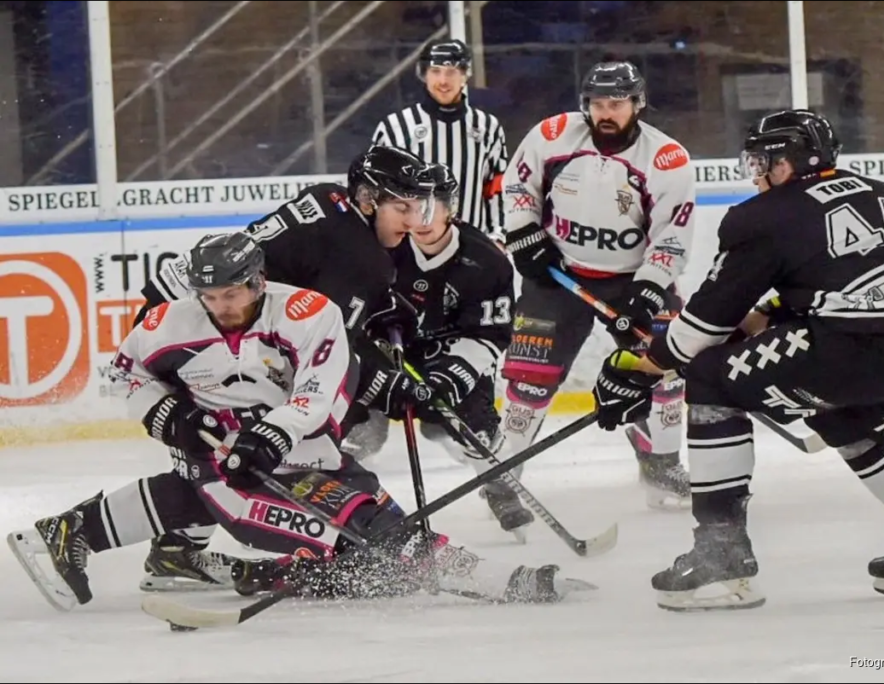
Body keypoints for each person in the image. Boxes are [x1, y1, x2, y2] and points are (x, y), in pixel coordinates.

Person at [7, 233, 591, 612]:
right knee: (380, 543)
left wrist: (271, 434)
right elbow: (124, 374)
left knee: (375, 558)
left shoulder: (308, 315)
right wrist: (165, 413)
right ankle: (507, 582)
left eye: (233, 292)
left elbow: (317, 394)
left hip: (314, 459)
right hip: (228, 469)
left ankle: (76, 530)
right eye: (210, 296)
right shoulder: (170, 323)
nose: (222, 306)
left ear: (259, 280)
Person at [590, 108, 884, 612]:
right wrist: (742, 326)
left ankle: (721, 557)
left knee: (712, 377)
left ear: (790, 162)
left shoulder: (763, 215)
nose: (756, 173)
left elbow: (703, 331)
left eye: (762, 160)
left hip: (862, 348)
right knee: (849, 420)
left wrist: (641, 367)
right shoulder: (874, 191)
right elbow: (828, 294)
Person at [127, 145, 441, 593]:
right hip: (210, 332)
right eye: (402, 207)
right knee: (277, 438)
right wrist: (385, 382)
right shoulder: (362, 258)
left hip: (183, 320)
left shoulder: (329, 197)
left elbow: (301, 290)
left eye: (419, 206)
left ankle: (176, 549)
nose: (415, 222)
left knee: (218, 446)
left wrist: (378, 309)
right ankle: (323, 535)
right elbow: (329, 355)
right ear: (369, 200)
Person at [498, 60, 697, 511]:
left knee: (665, 364)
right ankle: (504, 472)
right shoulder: (552, 135)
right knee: (531, 379)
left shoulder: (666, 159)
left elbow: (671, 237)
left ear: (638, 104)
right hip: (556, 274)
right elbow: (518, 185)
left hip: (632, 278)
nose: (606, 113)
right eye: (598, 103)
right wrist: (524, 233)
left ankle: (662, 461)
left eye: (617, 103)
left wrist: (648, 289)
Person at [339, 163, 531, 539]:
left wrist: (452, 374)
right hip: (388, 354)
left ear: (451, 208)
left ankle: (498, 485)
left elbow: (490, 334)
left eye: (430, 207)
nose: (419, 218)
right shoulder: (382, 249)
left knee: (474, 428)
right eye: (409, 207)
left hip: (453, 353)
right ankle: (332, 496)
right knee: (362, 433)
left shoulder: (486, 261)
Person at [371, 38, 508, 241]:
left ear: (464, 75)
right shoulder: (394, 128)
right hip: (409, 250)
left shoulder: (488, 127)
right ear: (424, 75)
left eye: (451, 72)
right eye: (435, 71)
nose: (443, 81)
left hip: (471, 248)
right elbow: (377, 191)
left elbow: (497, 190)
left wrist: (498, 237)